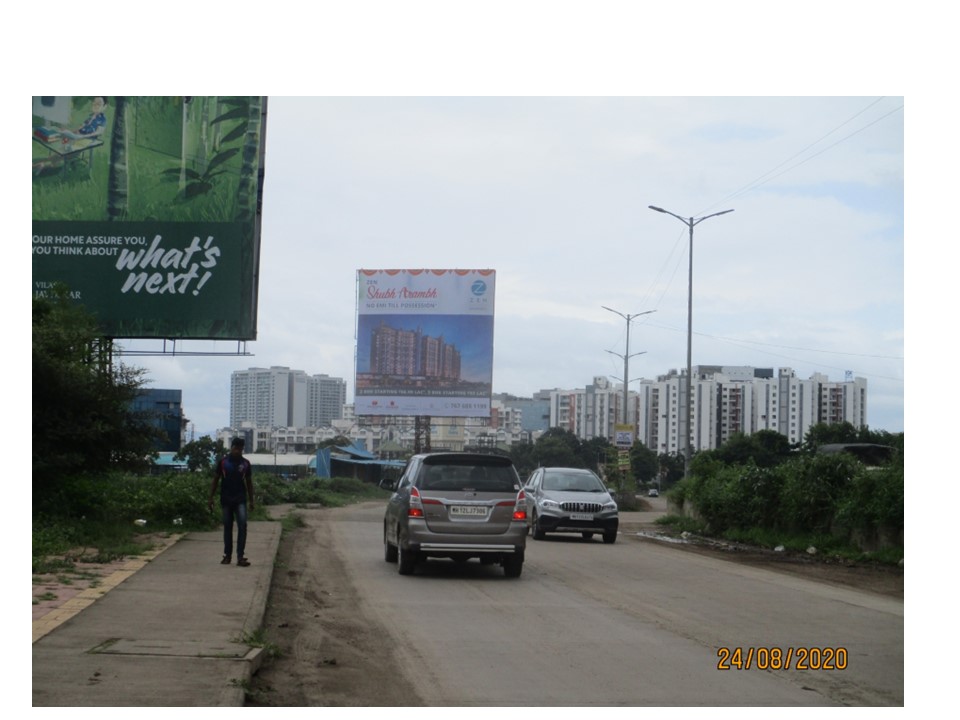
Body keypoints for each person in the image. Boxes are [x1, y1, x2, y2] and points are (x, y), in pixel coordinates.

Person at [209, 437, 255, 567]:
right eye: (235, 448)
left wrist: (252, 500)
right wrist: (210, 497)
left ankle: (240, 557)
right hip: (226, 499)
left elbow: (249, 483)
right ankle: (227, 556)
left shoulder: (246, 464)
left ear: (242, 450)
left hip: (240, 499)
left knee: (242, 525)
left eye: (240, 449)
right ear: (232, 448)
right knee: (227, 527)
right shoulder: (223, 463)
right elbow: (215, 480)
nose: (237, 451)